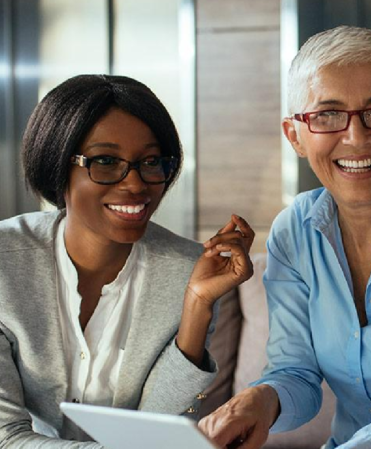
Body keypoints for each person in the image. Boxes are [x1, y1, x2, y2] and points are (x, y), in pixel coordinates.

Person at [200, 26, 371, 449]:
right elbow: (295, 373)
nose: (356, 136)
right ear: (295, 135)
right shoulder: (293, 231)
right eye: (327, 115)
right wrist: (261, 400)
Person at [0, 74, 254, 447]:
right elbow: (6, 437)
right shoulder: (5, 264)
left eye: (151, 161)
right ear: (56, 165)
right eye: (105, 161)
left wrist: (198, 304)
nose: (136, 184)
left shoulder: (189, 269)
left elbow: (155, 429)